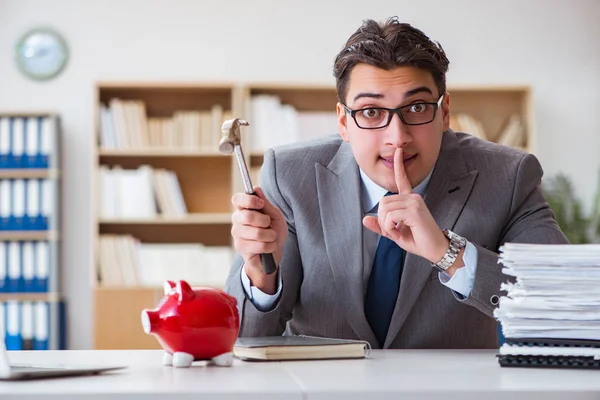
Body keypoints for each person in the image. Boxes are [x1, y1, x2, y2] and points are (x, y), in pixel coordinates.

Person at [224, 16, 568, 349]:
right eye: (371, 112)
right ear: (344, 121)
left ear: (444, 112)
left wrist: (449, 254)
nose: (397, 137)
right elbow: (247, 340)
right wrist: (261, 274)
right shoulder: (290, 175)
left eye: (417, 107)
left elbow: (562, 301)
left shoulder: (508, 176)